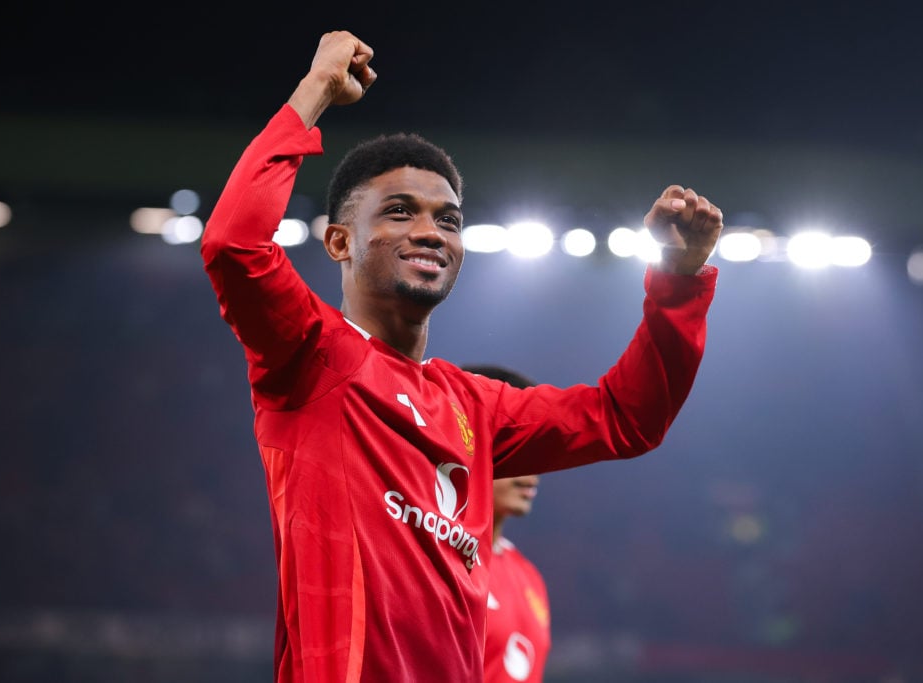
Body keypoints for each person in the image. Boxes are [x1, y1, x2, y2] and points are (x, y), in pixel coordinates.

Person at [201, 29, 723, 683]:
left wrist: (676, 281)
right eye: (399, 212)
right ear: (338, 241)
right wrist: (314, 94)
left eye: (448, 220)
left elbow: (627, 417)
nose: (430, 231)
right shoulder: (308, 355)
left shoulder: (476, 407)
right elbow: (233, 245)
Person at [461, 365, 551, 683]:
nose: (533, 473)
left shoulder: (528, 576)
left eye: (538, 453)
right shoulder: (431, 558)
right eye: (519, 449)